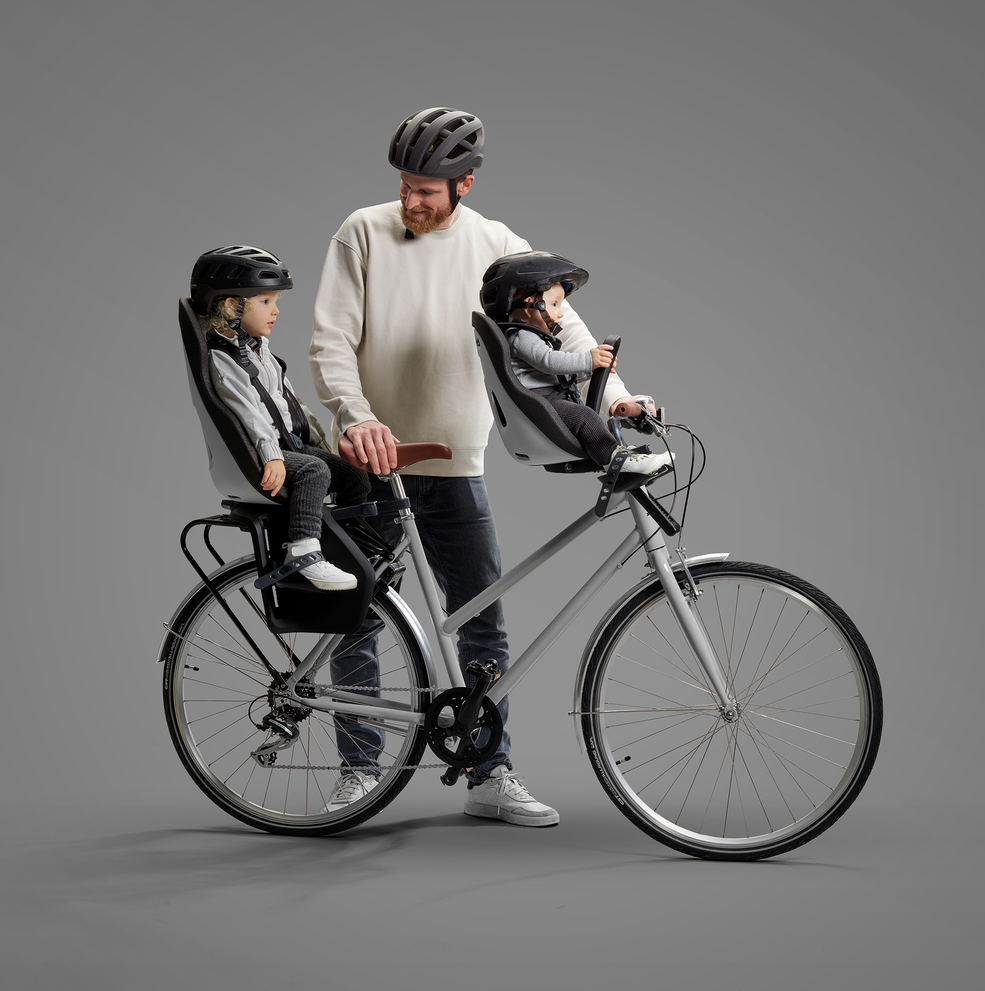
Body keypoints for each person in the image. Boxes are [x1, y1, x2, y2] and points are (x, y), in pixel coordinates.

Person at [309, 108, 654, 824]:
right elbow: (330, 341)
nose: (411, 201)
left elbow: (563, 325)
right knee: (358, 619)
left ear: (464, 183)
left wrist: (614, 398)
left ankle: (487, 771)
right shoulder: (361, 232)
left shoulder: (497, 245)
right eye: (405, 186)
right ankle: (357, 771)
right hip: (368, 457)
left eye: (428, 190)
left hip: (453, 458)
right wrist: (356, 418)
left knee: (483, 623)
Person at [191, 245, 370, 591]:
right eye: (266, 302)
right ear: (232, 304)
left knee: (354, 478)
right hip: (263, 452)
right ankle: (303, 552)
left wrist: (319, 440)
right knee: (313, 470)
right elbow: (246, 410)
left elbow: (290, 403)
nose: (275, 311)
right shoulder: (223, 359)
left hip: (287, 444)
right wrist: (271, 454)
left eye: (276, 303)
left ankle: (346, 550)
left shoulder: (258, 349)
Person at [481, 250, 672, 473]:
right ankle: (617, 461)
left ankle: (618, 455)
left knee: (589, 419)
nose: (560, 314)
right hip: (541, 405)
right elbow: (549, 362)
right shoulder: (521, 336)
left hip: (547, 401)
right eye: (554, 304)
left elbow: (553, 374)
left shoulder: (528, 336)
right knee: (585, 417)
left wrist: (592, 372)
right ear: (530, 302)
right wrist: (588, 360)